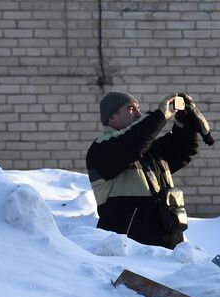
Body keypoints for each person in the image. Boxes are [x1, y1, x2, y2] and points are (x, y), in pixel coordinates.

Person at [86, 90, 204, 249]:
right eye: (130, 108)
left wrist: (184, 123)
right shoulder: (101, 148)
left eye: (138, 108)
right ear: (112, 118)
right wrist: (159, 116)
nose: (138, 114)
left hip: (169, 247)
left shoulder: (148, 150)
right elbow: (132, 146)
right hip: (130, 252)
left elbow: (182, 150)